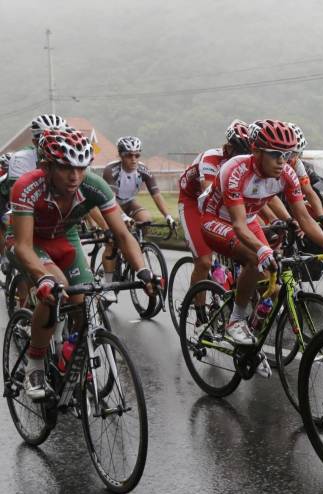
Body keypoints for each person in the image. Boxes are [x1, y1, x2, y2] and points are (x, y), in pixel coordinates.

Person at [9, 128, 154, 399]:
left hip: (65, 238)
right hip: (31, 242)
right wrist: (43, 279)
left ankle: (71, 350)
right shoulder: (27, 186)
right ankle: (36, 364)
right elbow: (24, 246)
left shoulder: (92, 185)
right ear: (46, 166)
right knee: (57, 289)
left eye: (81, 167)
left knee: (84, 299)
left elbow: (123, 234)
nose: (75, 176)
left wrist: (143, 271)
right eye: (65, 168)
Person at [200, 119, 323, 354]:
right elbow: (238, 225)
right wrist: (262, 250)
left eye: (287, 154)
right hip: (217, 220)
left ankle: (251, 340)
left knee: (272, 284)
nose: (282, 161)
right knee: (254, 258)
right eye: (275, 154)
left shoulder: (286, 173)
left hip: (249, 221)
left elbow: (304, 218)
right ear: (256, 151)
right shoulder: (235, 170)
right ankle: (235, 320)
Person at [178, 119, 251, 290]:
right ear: (229, 147)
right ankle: (199, 313)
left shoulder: (246, 163)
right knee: (204, 262)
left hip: (220, 201)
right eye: (240, 152)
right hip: (193, 201)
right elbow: (208, 196)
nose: (243, 158)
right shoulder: (211, 158)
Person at [102, 136, 175, 227]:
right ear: (121, 155)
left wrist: (168, 216)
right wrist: (123, 216)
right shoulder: (111, 170)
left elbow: (157, 195)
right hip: (110, 204)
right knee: (116, 231)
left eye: (137, 155)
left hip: (129, 202)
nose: (133, 159)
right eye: (129, 155)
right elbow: (111, 199)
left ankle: (137, 240)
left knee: (145, 220)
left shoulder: (144, 170)